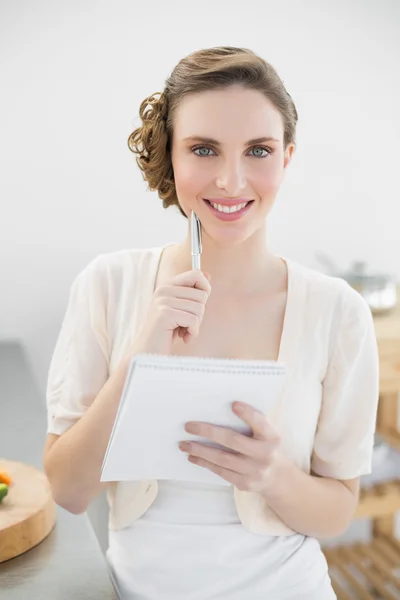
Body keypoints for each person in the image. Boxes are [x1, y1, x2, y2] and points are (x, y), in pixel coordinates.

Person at [43, 46, 379, 599]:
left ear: (287, 158)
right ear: (170, 157)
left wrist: (274, 475)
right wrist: (140, 358)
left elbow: (336, 511)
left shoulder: (337, 312)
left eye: (259, 150)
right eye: (203, 149)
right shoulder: (107, 285)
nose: (230, 180)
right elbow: (69, 491)